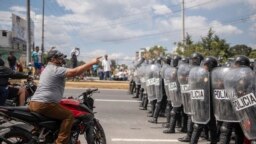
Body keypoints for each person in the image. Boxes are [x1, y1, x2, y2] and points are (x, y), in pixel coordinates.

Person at [29, 49, 101, 144]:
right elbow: (74, 72)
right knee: (69, 116)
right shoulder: (55, 69)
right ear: (53, 59)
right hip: (44, 104)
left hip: (36, 103)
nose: (62, 59)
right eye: (60, 57)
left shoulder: (47, 69)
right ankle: (60, 142)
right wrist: (91, 63)